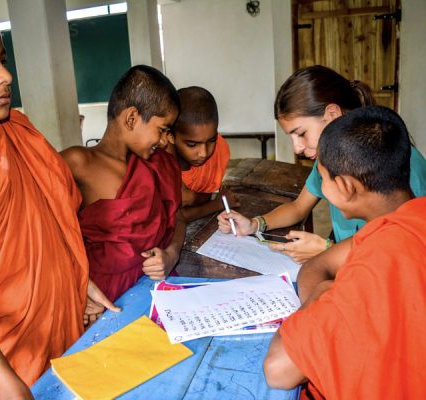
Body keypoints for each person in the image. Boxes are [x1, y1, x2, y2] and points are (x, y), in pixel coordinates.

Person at [0, 2, 117, 398]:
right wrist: (5, 382)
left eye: (2, 59)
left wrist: (78, 283)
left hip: (63, 326)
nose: (5, 76)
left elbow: (52, 222)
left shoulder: (19, 131)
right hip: (0, 356)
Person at [263, 106, 426, 399]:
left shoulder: (375, 264)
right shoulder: (404, 223)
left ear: (345, 187)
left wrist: (323, 295)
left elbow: (278, 370)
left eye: (322, 178)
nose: (321, 187)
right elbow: (317, 265)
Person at [218, 65, 426, 263]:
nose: (296, 148)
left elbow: (404, 253)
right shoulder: (326, 160)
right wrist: (255, 224)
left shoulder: (402, 167)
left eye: (301, 133)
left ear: (333, 115)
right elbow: (299, 207)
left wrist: (327, 250)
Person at [61, 65, 186, 303]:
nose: (162, 141)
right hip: (101, 296)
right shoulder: (78, 163)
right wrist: (79, 286)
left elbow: (177, 216)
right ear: (131, 118)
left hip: (157, 286)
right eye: (161, 130)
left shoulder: (160, 165)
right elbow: (46, 232)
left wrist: (172, 254)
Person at [163, 86, 239, 222]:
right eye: (192, 145)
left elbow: (204, 196)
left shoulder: (218, 151)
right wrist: (218, 204)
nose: (204, 153)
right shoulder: (161, 161)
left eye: (211, 140)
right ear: (170, 136)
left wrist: (192, 198)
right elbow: (179, 216)